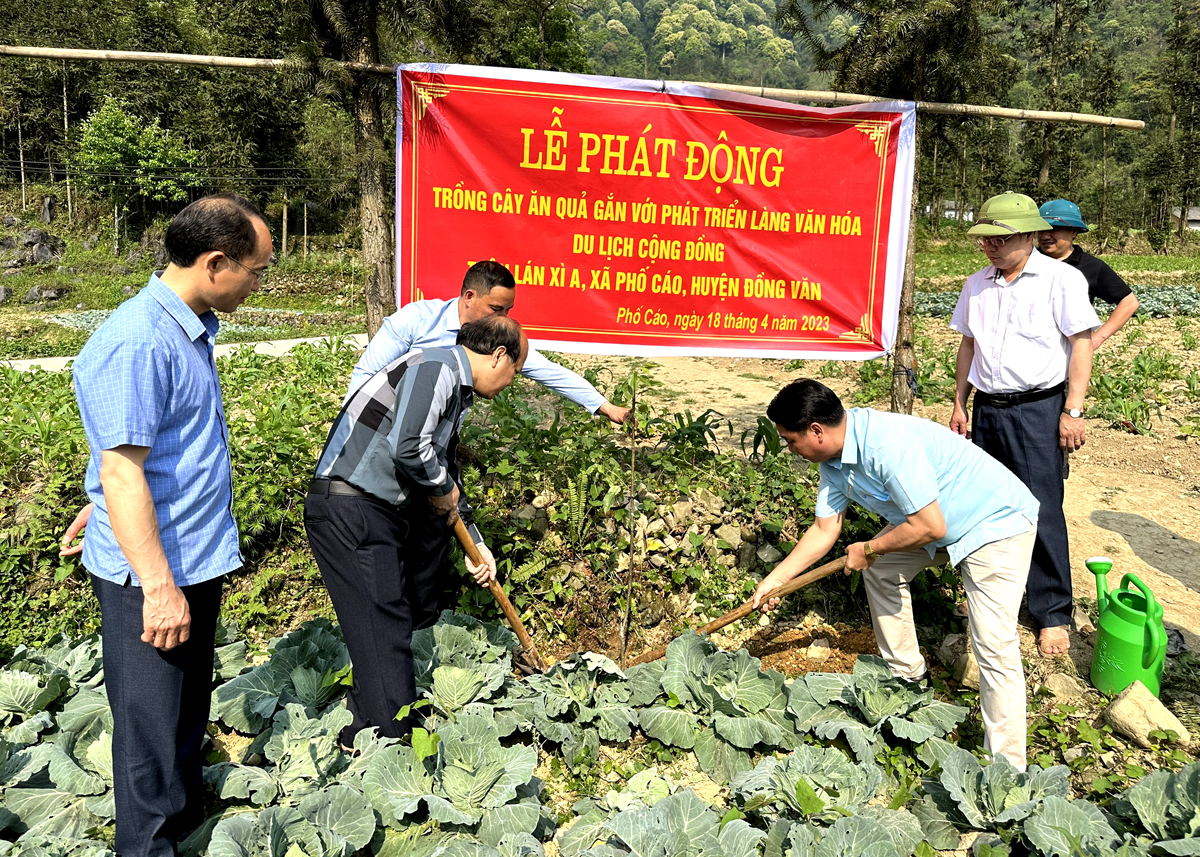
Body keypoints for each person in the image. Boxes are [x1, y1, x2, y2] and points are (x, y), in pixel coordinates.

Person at [72, 194, 272, 857]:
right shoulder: (139, 338)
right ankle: (148, 846)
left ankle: (181, 831)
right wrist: (157, 584)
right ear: (216, 262)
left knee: (185, 715)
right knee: (150, 731)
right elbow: (123, 470)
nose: (258, 282)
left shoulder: (186, 326)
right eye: (256, 269)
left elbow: (130, 449)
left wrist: (97, 491)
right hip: (153, 575)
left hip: (192, 558)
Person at [751, 379, 1039, 770]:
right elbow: (824, 530)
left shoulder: (886, 444)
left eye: (789, 439)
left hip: (994, 522)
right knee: (882, 570)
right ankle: (907, 678)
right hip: (933, 523)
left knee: (993, 643)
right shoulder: (833, 463)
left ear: (816, 431)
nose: (789, 448)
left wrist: (868, 548)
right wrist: (776, 581)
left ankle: (1006, 769)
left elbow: (929, 526)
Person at [305, 314, 527, 747]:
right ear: (499, 355)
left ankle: (362, 734)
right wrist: (443, 488)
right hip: (351, 505)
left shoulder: (454, 391)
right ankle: (395, 742)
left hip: (375, 511)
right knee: (383, 626)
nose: (509, 386)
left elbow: (445, 479)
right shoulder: (436, 366)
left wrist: (477, 549)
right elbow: (408, 447)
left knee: (386, 624)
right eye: (515, 374)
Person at [948, 191, 1100, 656]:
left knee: (1042, 507)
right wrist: (960, 403)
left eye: (1001, 238)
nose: (990, 246)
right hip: (989, 409)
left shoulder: (1060, 279)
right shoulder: (976, 285)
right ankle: (996, 596)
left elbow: (1080, 344)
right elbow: (968, 347)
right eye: (985, 238)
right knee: (989, 504)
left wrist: (1072, 411)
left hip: (1038, 408)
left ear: (1031, 235)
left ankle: (1052, 612)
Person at [349, 260, 629, 424]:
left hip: (439, 444)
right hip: (391, 429)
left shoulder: (497, 338)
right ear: (469, 297)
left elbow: (549, 371)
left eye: (508, 311)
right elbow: (365, 377)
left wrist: (606, 407)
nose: (503, 318)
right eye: (496, 309)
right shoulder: (416, 321)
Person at [1038, 198, 1140, 350]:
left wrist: (1098, 338)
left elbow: (1129, 303)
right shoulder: (1026, 262)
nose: (1045, 236)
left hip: (1068, 354)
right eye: (1041, 229)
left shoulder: (1092, 267)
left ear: (1073, 231)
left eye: (1054, 229)